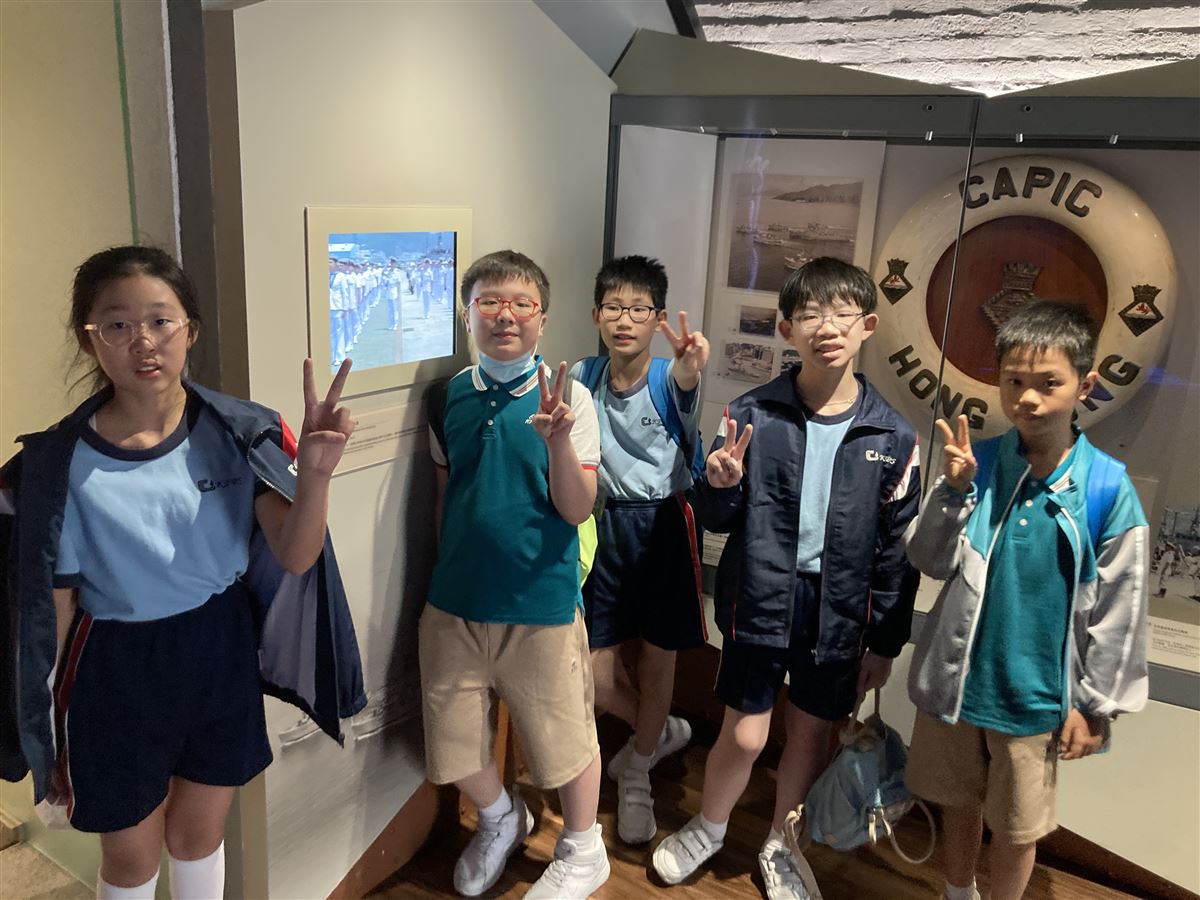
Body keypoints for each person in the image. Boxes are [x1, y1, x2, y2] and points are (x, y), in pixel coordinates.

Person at [0, 245, 366, 900]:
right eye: (117, 324)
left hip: (219, 648)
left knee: (199, 835)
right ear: (88, 340)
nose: (143, 341)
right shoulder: (59, 464)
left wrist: (314, 474)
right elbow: (53, 608)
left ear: (190, 330)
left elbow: (296, 556)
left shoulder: (239, 432)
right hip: (113, 663)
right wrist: (42, 726)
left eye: (160, 320)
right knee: (131, 855)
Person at [652, 257, 921, 899]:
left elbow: (895, 550)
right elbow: (715, 514)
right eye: (810, 315)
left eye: (842, 314)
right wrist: (719, 486)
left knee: (809, 731)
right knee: (745, 733)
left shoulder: (893, 434)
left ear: (867, 325)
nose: (827, 327)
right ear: (786, 329)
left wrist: (885, 642)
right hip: (761, 598)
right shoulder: (753, 412)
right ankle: (710, 826)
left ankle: (782, 843)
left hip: (840, 609)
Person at [905, 300, 1149, 900]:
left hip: (1037, 697)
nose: (1028, 399)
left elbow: (1122, 607)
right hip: (960, 683)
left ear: (1084, 385)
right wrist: (953, 493)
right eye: (1014, 382)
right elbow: (928, 558)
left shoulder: (1105, 485)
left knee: (1017, 829)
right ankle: (958, 892)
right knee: (957, 803)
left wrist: (1095, 706)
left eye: (1048, 383)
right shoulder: (979, 462)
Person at [421, 250, 608, 898]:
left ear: (542, 319)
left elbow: (577, 508)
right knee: (450, 742)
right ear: (467, 314)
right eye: (489, 302)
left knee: (565, 743)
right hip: (455, 602)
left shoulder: (572, 398)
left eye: (522, 303)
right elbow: (446, 496)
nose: (505, 315)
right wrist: (444, 572)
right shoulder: (448, 395)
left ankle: (584, 849)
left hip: (540, 601)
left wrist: (557, 440)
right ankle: (502, 816)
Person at [569, 255, 710, 847]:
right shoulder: (583, 374)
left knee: (657, 663)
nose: (625, 320)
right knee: (593, 671)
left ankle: (638, 772)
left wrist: (689, 368)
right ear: (596, 314)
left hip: (664, 525)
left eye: (639, 309)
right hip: (601, 524)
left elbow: (686, 385)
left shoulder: (668, 377)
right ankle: (654, 735)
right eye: (614, 307)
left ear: (657, 317)